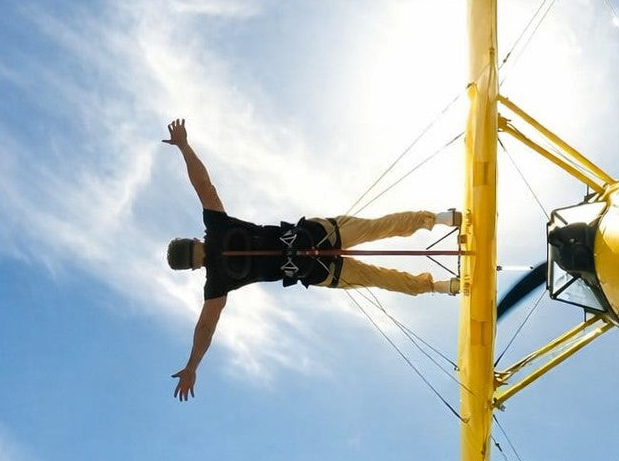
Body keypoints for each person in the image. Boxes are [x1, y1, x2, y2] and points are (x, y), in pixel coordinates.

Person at [163, 119, 460, 400]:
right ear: (194, 240)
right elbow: (203, 185)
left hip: (317, 266)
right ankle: (438, 221)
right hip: (316, 237)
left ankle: (439, 285)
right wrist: (184, 146)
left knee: (377, 274)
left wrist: (192, 366)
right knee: (377, 229)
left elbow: (206, 327)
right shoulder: (216, 231)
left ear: (192, 266)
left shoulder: (217, 282)